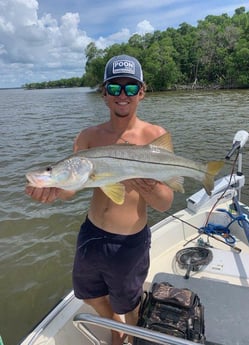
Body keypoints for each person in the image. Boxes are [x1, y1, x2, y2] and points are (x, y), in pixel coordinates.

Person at [25, 54, 174, 345]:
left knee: (129, 304)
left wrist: (146, 186)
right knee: (88, 293)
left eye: (130, 88)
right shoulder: (88, 137)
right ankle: (115, 330)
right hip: (91, 234)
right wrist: (54, 191)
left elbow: (165, 203)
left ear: (141, 92)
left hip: (129, 242)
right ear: (103, 93)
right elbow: (72, 187)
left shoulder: (156, 136)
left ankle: (132, 335)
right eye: (114, 88)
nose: (122, 95)